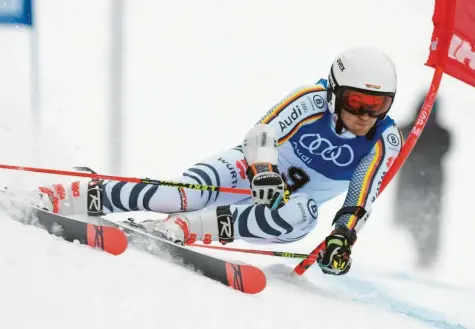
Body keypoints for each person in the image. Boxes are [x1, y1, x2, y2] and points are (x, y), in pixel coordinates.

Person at [36, 46, 403, 276]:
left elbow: (361, 195)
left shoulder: (384, 139)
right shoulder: (311, 100)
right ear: (336, 91)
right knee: (184, 195)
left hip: (280, 211)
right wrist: (263, 171)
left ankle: (181, 229)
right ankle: (70, 193)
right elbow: (261, 134)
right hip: (251, 173)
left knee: (303, 213)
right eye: (356, 101)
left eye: (379, 105)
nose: (365, 115)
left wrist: (342, 237)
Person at [394, 96, 451, 268]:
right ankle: (401, 258)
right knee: (407, 220)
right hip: (409, 183)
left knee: (429, 221)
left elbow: (442, 151)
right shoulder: (407, 128)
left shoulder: (442, 133)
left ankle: (426, 259)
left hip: (431, 184)